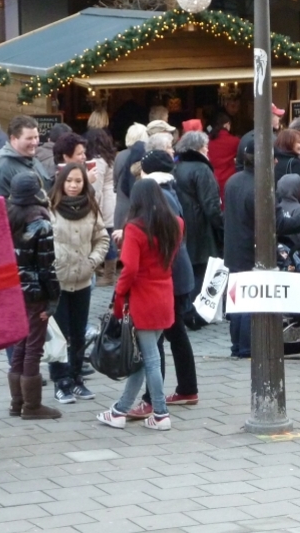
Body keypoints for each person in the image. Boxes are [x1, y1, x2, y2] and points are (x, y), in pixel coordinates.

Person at [224, 139, 300, 358]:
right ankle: (248, 348)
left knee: (238, 300)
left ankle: (237, 347)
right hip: (255, 252)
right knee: (252, 301)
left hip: (234, 249)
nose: (277, 160)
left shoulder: (232, 181)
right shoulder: (264, 187)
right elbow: (279, 224)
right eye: (273, 157)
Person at [97, 179, 182, 430]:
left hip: (143, 298)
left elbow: (130, 268)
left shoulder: (134, 229)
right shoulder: (176, 224)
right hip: (165, 294)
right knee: (147, 357)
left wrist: (119, 296)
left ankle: (160, 413)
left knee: (151, 359)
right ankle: (120, 409)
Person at [126, 150, 198, 418]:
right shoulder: (170, 190)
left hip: (169, 278)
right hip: (179, 274)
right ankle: (187, 388)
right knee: (175, 332)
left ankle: (151, 400)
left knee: (156, 340)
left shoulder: (160, 196)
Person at [49, 163, 109, 403]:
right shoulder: (50, 208)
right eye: (69, 181)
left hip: (83, 280)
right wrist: (52, 265)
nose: (73, 186)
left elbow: (102, 239)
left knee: (78, 333)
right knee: (59, 335)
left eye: (78, 181)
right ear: (61, 182)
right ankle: (60, 381)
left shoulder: (91, 208)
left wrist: (92, 262)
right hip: (58, 282)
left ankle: (76, 379)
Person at [6, 172, 61, 419]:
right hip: (35, 292)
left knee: (20, 344)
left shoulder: (7, 218)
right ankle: (32, 406)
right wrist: (53, 299)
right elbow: (46, 266)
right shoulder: (40, 222)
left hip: (13, 291)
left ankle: (17, 402)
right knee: (33, 348)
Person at [174, 131, 224, 330]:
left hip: (183, 223)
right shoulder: (202, 169)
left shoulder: (176, 167)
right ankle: (194, 313)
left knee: (188, 267)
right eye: (205, 147)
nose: (208, 151)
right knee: (201, 270)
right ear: (197, 149)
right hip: (200, 227)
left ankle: (185, 310)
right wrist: (221, 226)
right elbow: (211, 204)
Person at [84, 128, 118, 286]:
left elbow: (95, 188)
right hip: (110, 200)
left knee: (105, 237)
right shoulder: (108, 157)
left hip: (104, 204)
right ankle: (102, 269)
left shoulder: (97, 161)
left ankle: (109, 274)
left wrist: (93, 209)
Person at [0, 115, 51, 197]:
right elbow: (1, 204)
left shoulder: (34, 161)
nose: (34, 142)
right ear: (14, 139)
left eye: (36, 137)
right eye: (29, 138)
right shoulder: (2, 168)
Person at [113, 123, 148, 229]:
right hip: (137, 208)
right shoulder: (145, 156)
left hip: (121, 206)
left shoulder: (119, 156)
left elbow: (115, 182)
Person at [274, 128, 300, 211]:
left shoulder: (274, 160)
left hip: (278, 206)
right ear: (288, 143)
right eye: (298, 142)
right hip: (296, 209)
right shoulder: (295, 163)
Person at [236, 103, 284, 171]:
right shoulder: (273, 140)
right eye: (277, 116)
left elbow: (239, 165)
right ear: (269, 118)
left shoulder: (244, 138)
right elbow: (279, 167)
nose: (279, 119)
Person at [207, 113, 240, 205]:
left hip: (211, 177)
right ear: (226, 124)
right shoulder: (235, 141)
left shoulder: (207, 140)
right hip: (229, 178)